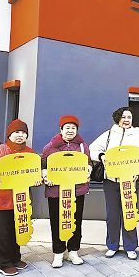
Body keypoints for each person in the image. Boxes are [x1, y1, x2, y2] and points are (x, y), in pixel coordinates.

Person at [0, 119, 39, 276]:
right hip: (0, 199)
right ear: (9, 134)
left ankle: (15, 258)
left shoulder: (30, 153)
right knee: (3, 231)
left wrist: (37, 179)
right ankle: (4, 263)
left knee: (18, 228)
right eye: (16, 132)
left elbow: (34, 172)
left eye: (23, 132)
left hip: (21, 199)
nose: (20, 135)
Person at [89, 107, 139, 260]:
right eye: (123, 117)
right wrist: (101, 155)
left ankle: (130, 247)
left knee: (129, 213)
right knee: (112, 215)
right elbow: (92, 148)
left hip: (130, 181)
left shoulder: (137, 136)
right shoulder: (109, 134)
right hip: (111, 181)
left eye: (129, 117)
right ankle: (112, 245)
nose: (126, 120)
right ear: (118, 118)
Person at [42, 115, 91, 268]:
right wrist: (45, 176)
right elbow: (43, 166)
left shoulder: (82, 146)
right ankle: (58, 253)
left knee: (75, 221)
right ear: (61, 129)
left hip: (77, 190)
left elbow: (88, 163)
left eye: (73, 128)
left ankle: (73, 251)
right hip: (56, 191)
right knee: (57, 221)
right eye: (67, 128)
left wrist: (88, 170)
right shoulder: (50, 147)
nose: (70, 131)